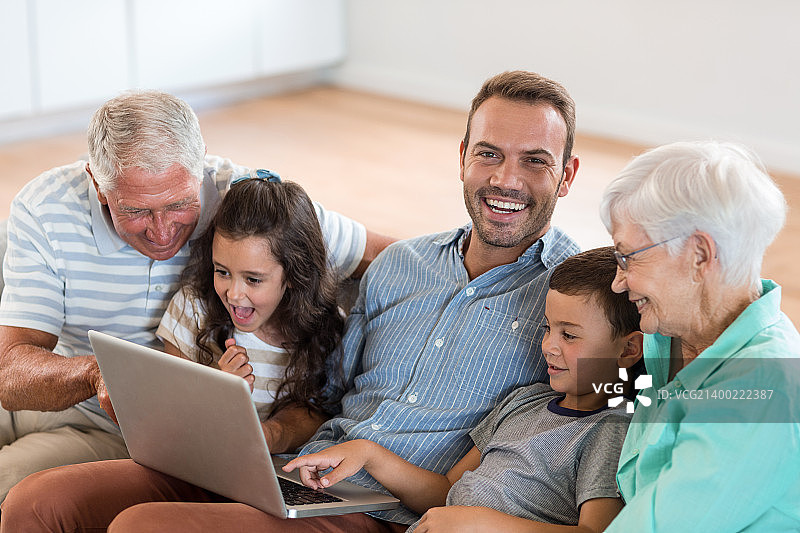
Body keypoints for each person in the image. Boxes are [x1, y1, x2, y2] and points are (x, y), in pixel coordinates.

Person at [1, 70, 582, 532]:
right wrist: (266, 436)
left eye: (535, 160)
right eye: (488, 153)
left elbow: (634, 401)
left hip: (387, 506)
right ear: (462, 157)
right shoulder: (404, 265)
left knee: (143, 527)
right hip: (292, 467)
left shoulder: (581, 299)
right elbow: (326, 394)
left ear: (568, 175)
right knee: (39, 501)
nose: (506, 179)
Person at [0, 90, 392, 501]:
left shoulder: (246, 203)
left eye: (179, 204)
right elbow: (11, 373)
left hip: (116, 432)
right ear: (99, 185)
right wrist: (104, 372)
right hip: (54, 386)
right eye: (136, 211)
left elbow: (393, 256)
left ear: (200, 162)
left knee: (13, 483)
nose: (162, 230)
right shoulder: (47, 209)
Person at [286, 247, 642, 533]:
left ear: (627, 350)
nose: (549, 345)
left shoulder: (611, 429)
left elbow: (596, 530)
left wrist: (479, 522)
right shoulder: (524, 402)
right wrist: (368, 454)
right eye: (548, 328)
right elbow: (445, 491)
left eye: (570, 335)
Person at [595, 141, 800, 531]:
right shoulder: (666, 332)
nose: (618, 282)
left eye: (628, 257)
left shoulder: (764, 389)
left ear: (700, 255)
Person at [157, 176, 344, 419]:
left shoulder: (325, 327)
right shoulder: (192, 308)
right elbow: (168, 415)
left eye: (253, 280)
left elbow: (320, 415)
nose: (233, 294)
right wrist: (214, 391)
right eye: (222, 272)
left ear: (294, 274)